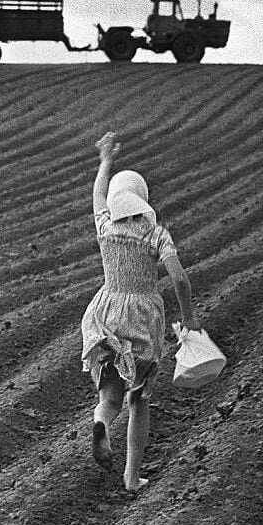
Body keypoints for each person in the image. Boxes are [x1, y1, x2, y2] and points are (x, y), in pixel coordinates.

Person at [81, 132, 200, 492]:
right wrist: (189, 318)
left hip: (106, 313)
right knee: (139, 399)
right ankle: (132, 477)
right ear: (143, 198)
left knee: (111, 397)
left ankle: (101, 421)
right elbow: (179, 279)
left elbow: (98, 194)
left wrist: (105, 159)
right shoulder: (156, 233)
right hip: (143, 318)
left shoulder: (106, 224)